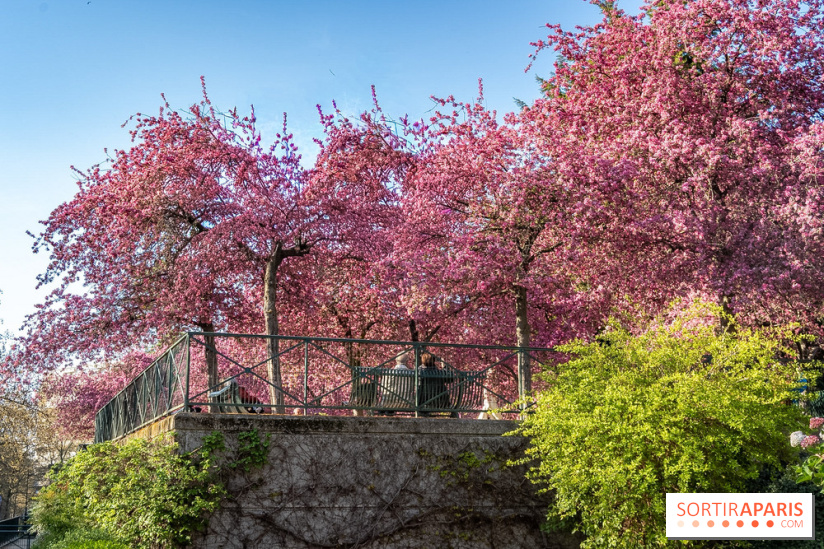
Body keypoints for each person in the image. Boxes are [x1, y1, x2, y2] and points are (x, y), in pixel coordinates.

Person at [418, 352, 454, 416]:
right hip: (441, 403)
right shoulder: (440, 373)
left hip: (423, 403)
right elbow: (451, 378)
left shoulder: (419, 373)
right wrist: (444, 366)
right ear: (434, 361)